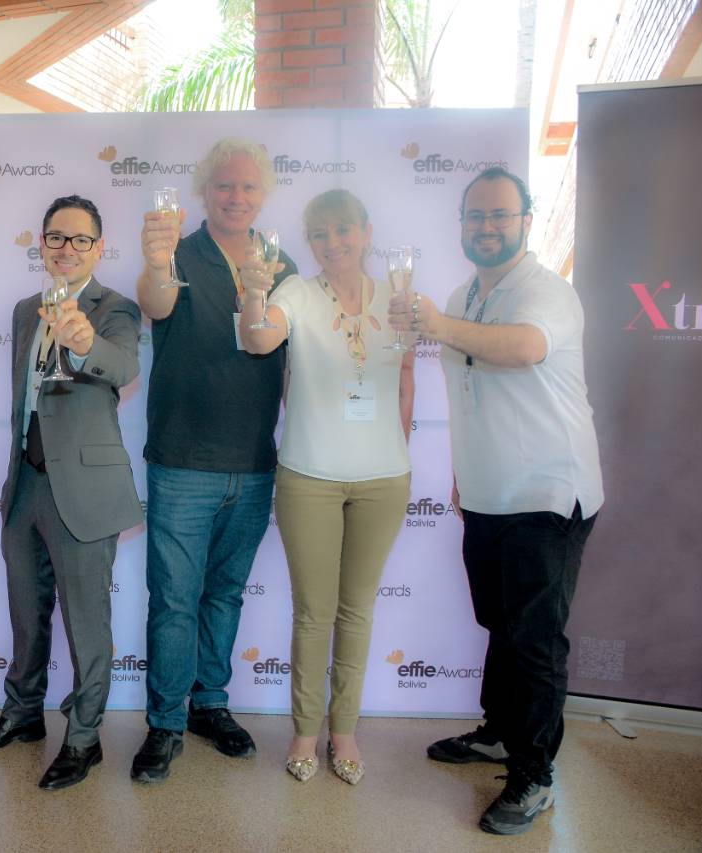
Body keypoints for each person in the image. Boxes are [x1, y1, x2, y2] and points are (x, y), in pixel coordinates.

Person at [387, 167, 603, 835]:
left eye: (499, 214)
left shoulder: (546, 291)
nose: (486, 226)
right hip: (487, 492)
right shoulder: (465, 295)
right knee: (501, 625)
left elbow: (526, 348)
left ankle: (534, 776)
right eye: (475, 215)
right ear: (461, 223)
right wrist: (462, 472)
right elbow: (469, 392)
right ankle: (500, 733)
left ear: (526, 221)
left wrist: (437, 322)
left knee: (534, 641)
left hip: (546, 491)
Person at [0, 196, 142, 791]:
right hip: (26, 483)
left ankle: (84, 738)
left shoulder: (115, 309)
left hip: (83, 489)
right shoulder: (23, 311)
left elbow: (122, 368)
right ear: (42, 243)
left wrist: (84, 341)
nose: (67, 249)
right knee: (26, 613)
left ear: (99, 248)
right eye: (57, 237)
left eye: (81, 240)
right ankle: (22, 713)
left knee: (87, 624)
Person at [130, 138, 297, 783]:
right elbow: (156, 302)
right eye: (225, 185)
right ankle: (165, 723)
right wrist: (156, 262)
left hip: (255, 461)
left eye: (249, 186)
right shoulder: (177, 251)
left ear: (264, 195)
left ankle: (210, 705)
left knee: (224, 594)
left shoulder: (280, 264)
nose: (237, 196)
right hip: (182, 460)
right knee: (175, 600)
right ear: (204, 191)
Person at [239, 190, 414, 786]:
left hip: (383, 480)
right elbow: (259, 340)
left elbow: (406, 379)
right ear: (309, 242)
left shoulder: (398, 297)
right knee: (315, 613)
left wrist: (395, 449)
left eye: (343, 229)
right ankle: (304, 732)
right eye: (320, 233)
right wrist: (255, 292)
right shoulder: (296, 292)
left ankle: (345, 732)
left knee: (356, 610)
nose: (333, 242)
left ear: (366, 232)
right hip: (309, 476)